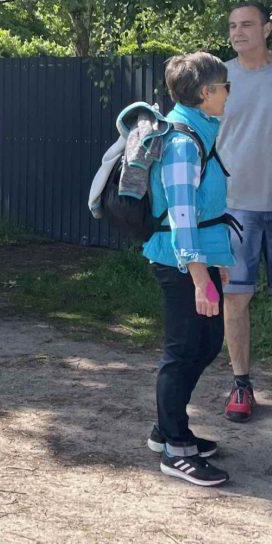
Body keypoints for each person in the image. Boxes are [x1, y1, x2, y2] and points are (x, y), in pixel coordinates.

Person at [142, 52, 235, 487]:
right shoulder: (183, 139)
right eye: (224, 87)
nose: (228, 94)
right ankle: (174, 446)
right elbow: (181, 213)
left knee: (207, 343)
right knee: (183, 351)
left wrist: (215, 267)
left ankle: (169, 427)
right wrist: (201, 277)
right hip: (179, 261)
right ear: (205, 93)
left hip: (199, 259)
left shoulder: (199, 129)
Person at [218, 0, 272, 424]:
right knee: (235, 298)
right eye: (233, 26)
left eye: (247, 24)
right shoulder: (217, 80)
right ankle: (241, 385)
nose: (238, 32)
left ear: (267, 29)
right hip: (236, 208)